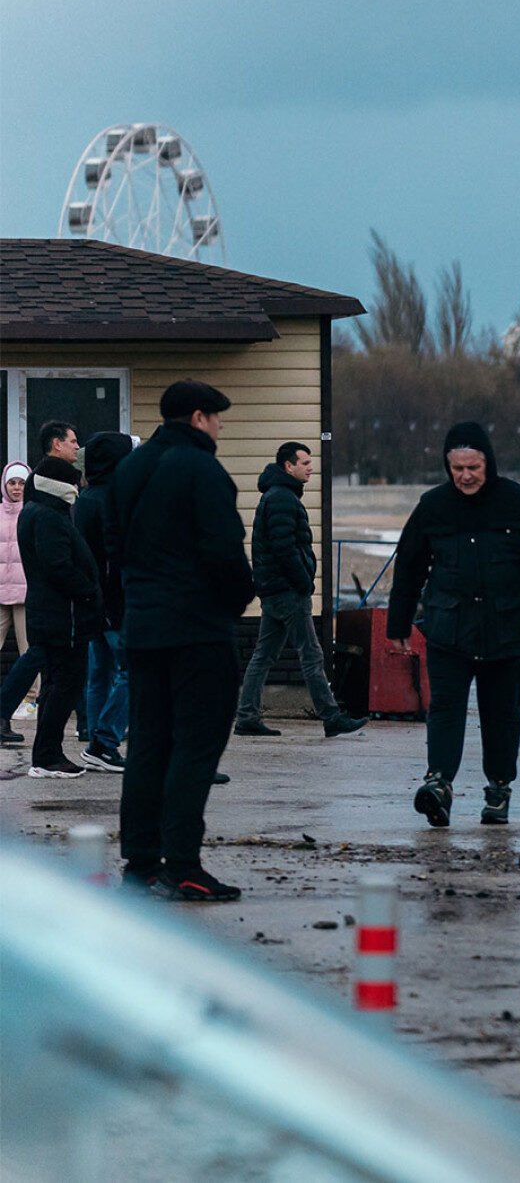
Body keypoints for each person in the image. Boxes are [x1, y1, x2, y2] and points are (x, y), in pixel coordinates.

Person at [115, 380, 255, 901]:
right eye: (217, 419)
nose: (219, 428)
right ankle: (184, 864)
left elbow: (115, 545)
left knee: (149, 745)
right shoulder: (202, 469)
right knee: (196, 748)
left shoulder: (130, 468)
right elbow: (225, 553)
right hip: (197, 631)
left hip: (143, 629)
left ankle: (141, 863)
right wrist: (236, 602)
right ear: (198, 418)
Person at [387, 422, 520, 828]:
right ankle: (438, 785)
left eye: (474, 467)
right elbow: (410, 565)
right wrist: (398, 623)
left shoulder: (518, 502)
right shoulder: (433, 506)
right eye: (457, 468)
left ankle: (499, 789)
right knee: (445, 711)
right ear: (447, 467)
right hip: (449, 629)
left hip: (507, 632)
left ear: (489, 463)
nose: (466, 476)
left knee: (503, 716)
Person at [234, 442, 367, 739]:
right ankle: (331, 716)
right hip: (287, 591)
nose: (310, 467)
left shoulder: (277, 495)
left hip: (274, 590)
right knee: (311, 653)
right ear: (288, 466)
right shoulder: (282, 498)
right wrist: (304, 582)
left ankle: (246, 716)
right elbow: (285, 548)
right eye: (304, 462)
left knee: (264, 655)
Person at [17, 455, 105, 778]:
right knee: (64, 685)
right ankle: (47, 756)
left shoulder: (36, 512)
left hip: (51, 616)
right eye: (73, 482)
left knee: (55, 686)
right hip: (62, 618)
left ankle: (46, 753)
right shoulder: (49, 517)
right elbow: (58, 567)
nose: (77, 487)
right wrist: (88, 591)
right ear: (60, 486)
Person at [0, 424, 82, 741]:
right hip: (45, 594)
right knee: (41, 654)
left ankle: (83, 725)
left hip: (30, 590)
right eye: (73, 441)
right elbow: (51, 554)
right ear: (56, 443)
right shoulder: (45, 495)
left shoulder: (33, 505)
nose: (77, 447)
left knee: (37, 654)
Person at [74, 432, 133, 770]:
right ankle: (104, 742)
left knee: (100, 672)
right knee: (131, 670)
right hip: (116, 604)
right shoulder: (112, 500)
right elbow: (114, 559)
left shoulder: (86, 498)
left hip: (94, 603)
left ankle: (95, 738)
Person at [0, 460, 28, 746]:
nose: (17, 487)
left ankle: (30, 701)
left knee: (28, 650)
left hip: (25, 593)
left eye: (21, 483)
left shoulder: (30, 513)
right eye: (12, 483)